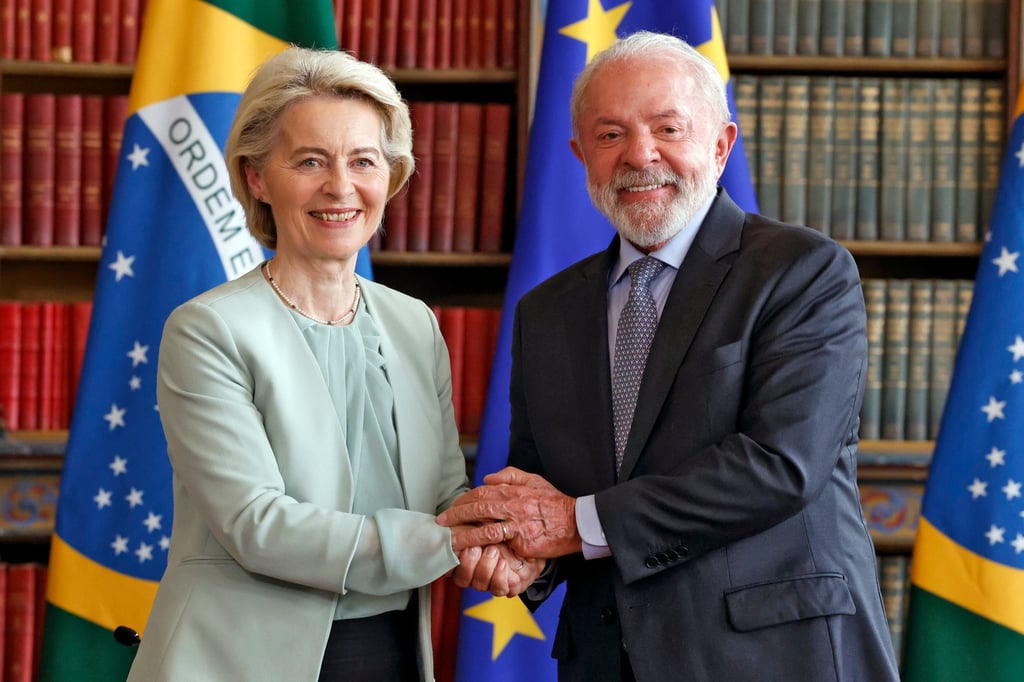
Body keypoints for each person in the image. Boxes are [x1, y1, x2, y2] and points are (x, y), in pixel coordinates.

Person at [438, 31, 901, 681]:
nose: (639, 154)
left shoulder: (801, 271)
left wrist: (572, 522)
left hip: (770, 658)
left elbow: (781, 465)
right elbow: (542, 491)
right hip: (606, 659)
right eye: (610, 135)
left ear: (720, 145)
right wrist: (520, 556)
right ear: (580, 156)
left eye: (668, 128)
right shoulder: (546, 312)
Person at [126, 47, 533, 682]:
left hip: (396, 650)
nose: (340, 187)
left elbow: (443, 495)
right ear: (258, 177)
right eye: (310, 161)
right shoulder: (209, 329)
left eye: (363, 161)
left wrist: (500, 531)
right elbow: (257, 525)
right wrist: (452, 541)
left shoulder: (414, 324)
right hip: (244, 659)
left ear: (389, 177)